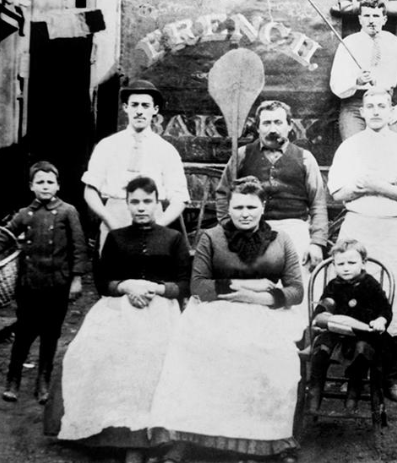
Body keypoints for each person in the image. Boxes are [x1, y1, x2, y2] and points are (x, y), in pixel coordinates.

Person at [147, 176, 303, 463]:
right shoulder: (211, 237)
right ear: (228, 208)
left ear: (263, 207)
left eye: (252, 207)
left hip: (264, 312)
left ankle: (267, 441)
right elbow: (199, 285)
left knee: (271, 357)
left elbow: (295, 290)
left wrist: (261, 297)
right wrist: (245, 287)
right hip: (216, 309)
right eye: (238, 206)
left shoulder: (281, 240)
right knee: (197, 350)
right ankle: (184, 437)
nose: (245, 213)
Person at [52, 177, 190, 463]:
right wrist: (125, 287)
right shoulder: (116, 238)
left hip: (161, 311)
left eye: (147, 201)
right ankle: (111, 437)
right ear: (127, 204)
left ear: (157, 203)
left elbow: (185, 283)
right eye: (135, 202)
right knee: (91, 353)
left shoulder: (173, 238)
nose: (141, 208)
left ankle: (151, 440)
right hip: (119, 309)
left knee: (156, 360)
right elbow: (102, 281)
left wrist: (157, 289)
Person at [327, 87, 397, 403]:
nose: (375, 111)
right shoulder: (350, 147)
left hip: (391, 229)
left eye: (381, 105)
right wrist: (362, 187)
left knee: (393, 297)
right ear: (363, 111)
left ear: (390, 109)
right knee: (352, 296)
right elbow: (337, 193)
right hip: (358, 227)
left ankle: (390, 379)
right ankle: (352, 376)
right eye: (369, 106)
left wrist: (375, 185)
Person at [216, 100, 328, 330]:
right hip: (253, 228)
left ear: (289, 126)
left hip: (294, 228)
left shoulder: (305, 158)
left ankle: (294, 336)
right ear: (257, 128)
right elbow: (223, 193)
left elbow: (318, 203)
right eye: (266, 123)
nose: (272, 128)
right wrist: (231, 228)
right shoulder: (243, 154)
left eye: (278, 122)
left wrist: (317, 242)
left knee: (298, 279)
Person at [1, 161, 87, 404]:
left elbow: (79, 248)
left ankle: (43, 382)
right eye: (40, 182)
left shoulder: (68, 212)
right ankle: (13, 380)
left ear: (58, 185)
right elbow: (4, 236)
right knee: (24, 334)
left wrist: (76, 279)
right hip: (29, 286)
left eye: (50, 182)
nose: (45, 186)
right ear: (31, 186)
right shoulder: (24, 214)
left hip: (57, 285)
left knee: (50, 335)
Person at [82, 79, 190, 249]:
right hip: (115, 217)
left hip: (153, 218)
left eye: (145, 106)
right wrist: (110, 220)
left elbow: (180, 197)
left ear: (155, 110)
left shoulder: (166, 150)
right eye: (134, 105)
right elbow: (90, 190)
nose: (139, 111)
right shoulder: (107, 145)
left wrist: (158, 226)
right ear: (126, 107)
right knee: (114, 273)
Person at [309, 239, 392, 412]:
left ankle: (354, 391)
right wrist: (322, 315)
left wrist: (380, 321)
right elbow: (323, 306)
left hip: (362, 335)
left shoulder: (370, 284)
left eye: (352, 263)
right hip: (336, 333)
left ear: (364, 263)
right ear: (334, 265)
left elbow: (384, 308)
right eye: (340, 264)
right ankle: (315, 393)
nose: (346, 268)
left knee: (362, 352)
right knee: (320, 349)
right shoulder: (334, 285)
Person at [330, 0, 397, 140]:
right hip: (355, 105)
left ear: (384, 19)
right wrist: (356, 81)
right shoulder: (348, 44)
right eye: (366, 16)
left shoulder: (396, 44)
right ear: (360, 19)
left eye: (376, 16)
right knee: (354, 149)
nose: (371, 21)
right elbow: (336, 84)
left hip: (386, 103)